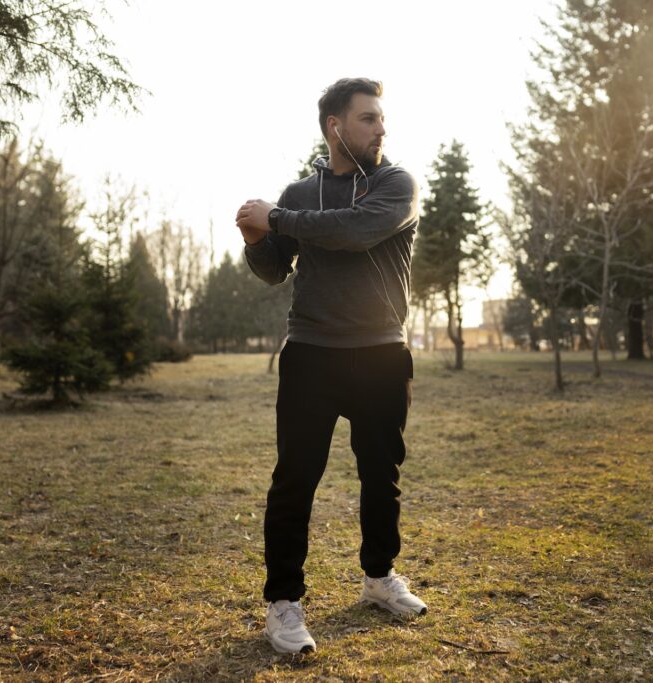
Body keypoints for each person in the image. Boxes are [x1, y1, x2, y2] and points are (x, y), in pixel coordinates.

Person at [234, 77, 426, 655]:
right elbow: (275, 270)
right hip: (311, 354)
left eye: (381, 118)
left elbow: (352, 232)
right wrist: (254, 239)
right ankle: (284, 603)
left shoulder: (396, 183)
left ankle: (378, 578)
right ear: (335, 125)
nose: (381, 128)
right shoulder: (300, 191)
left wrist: (278, 218)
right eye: (368, 118)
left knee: (380, 474)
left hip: (381, 352)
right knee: (295, 480)